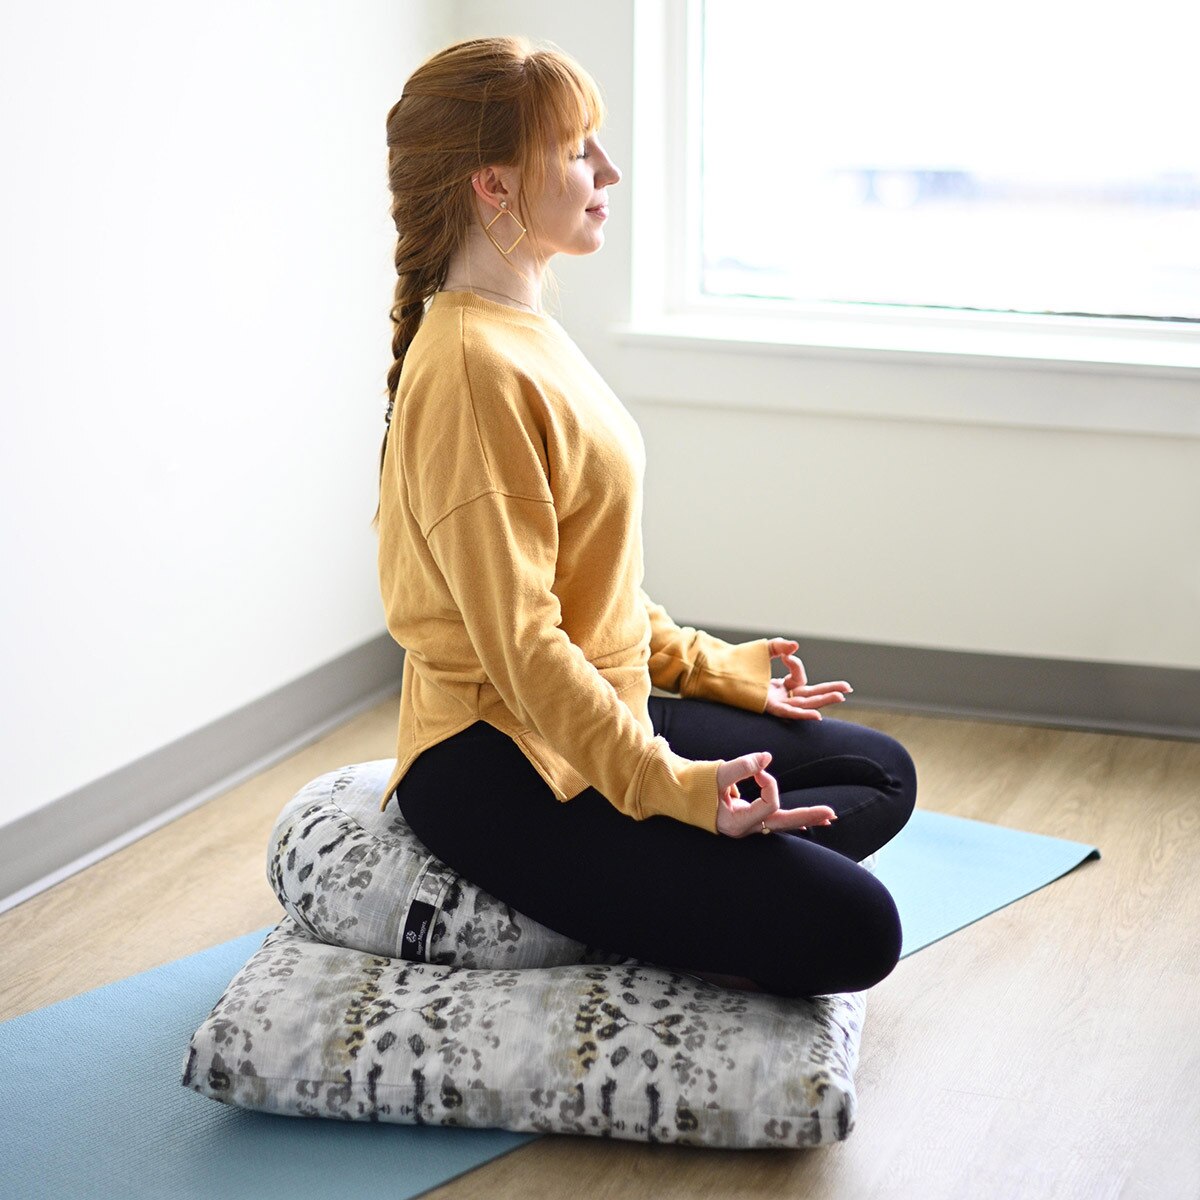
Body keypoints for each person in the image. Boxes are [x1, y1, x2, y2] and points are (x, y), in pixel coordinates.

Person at [374, 36, 916, 998]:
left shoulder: (522, 328)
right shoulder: (468, 371)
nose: (606, 170)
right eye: (578, 148)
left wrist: (712, 669)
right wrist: (675, 790)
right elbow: (525, 647)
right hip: (501, 764)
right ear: (494, 188)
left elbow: (585, 573)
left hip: (594, 703)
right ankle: (636, 892)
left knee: (879, 771)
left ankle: (661, 887)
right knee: (859, 930)